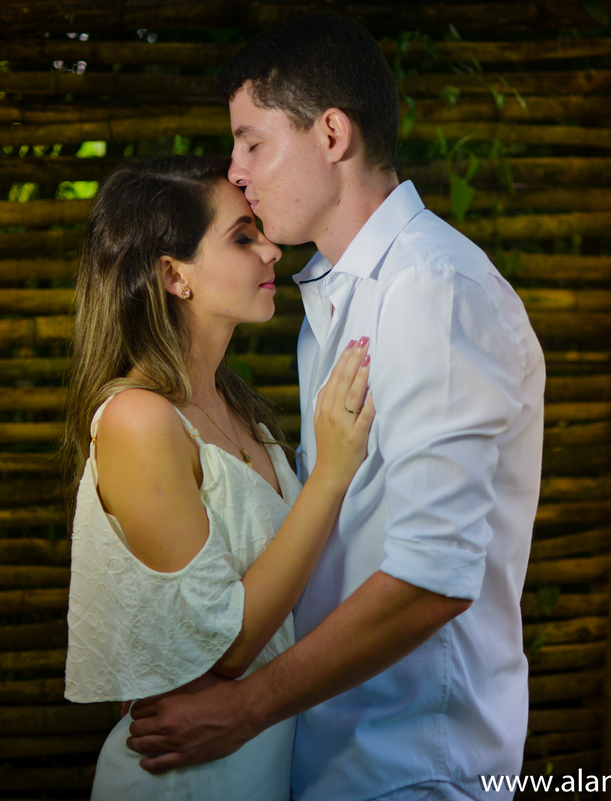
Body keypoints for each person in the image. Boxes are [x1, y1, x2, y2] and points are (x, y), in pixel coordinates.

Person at [125, 14, 545, 801]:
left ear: (330, 134)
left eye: (253, 142)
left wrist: (244, 708)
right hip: (332, 754)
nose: (236, 170)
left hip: (414, 764)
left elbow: (434, 578)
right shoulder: (337, 300)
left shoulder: (433, 289)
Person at [63, 154, 376, 801]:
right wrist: (330, 473)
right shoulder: (137, 420)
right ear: (174, 275)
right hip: (182, 780)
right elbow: (224, 647)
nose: (271, 250)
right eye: (242, 236)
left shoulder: (238, 408)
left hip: (259, 768)